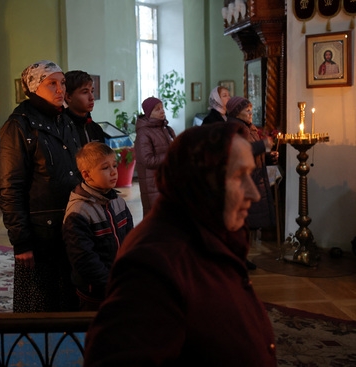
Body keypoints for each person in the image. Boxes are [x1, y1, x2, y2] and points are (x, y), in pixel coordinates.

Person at [83, 122, 277, 366]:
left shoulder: (211, 231)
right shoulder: (154, 263)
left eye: (250, 175)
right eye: (239, 176)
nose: (254, 193)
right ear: (204, 179)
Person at [0, 60, 82, 312]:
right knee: (41, 306)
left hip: (70, 223)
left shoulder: (64, 120)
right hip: (41, 232)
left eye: (62, 83)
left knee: (69, 298)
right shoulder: (19, 126)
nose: (60, 89)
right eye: (52, 83)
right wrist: (21, 241)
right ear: (34, 88)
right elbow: (10, 188)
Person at [62, 142, 133, 311]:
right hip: (95, 293)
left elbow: (131, 239)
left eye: (114, 165)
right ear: (87, 175)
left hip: (120, 285)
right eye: (105, 168)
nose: (114, 171)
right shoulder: (79, 212)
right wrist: (111, 284)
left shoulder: (118, 202)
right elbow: (84, 260)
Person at [226, 96, 278, 269]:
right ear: (236, 112)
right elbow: (242, 151)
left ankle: (242, 258)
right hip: (243, 182)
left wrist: (269, 157)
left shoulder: (251, 128)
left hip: (256, 179)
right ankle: (236, 259)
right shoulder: (233, 129)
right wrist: (264, 145)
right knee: (241, 225)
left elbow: (255, 154)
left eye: (250, 108)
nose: (250, 112)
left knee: (247, 225)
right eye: (246, 109)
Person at [134, 97, 176, 216]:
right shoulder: (143, 133)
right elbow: (148, 160)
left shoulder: (167, 129)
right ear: (149, 113)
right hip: (152, 185)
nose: (162, 111)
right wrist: (171, 155)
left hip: (167, 181)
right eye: (157, 109)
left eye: (162, 108)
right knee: (155, 219)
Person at [64, 70, 106, 146]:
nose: (92, 97)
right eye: (85, 92)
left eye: (92, 91)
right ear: (68, 97)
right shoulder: (61, 129)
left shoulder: (96, 129)